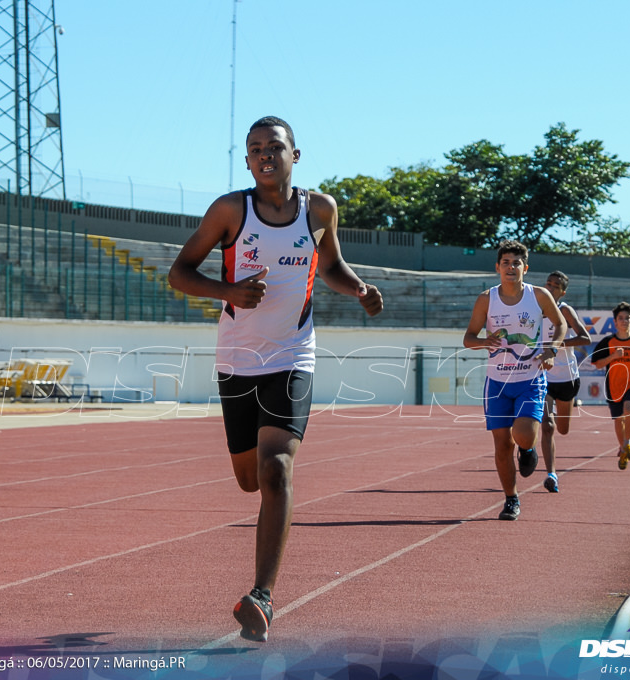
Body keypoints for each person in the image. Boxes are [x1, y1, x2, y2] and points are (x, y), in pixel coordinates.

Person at [168, 116, 383, 642]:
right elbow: (179, 273)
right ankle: (264, 537)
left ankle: (261, 596)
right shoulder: (229, 211)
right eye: (256, 149)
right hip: (237, 359)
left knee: (277, 468)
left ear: (296, 155)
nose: (266, 155)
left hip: (293, 354)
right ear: (246, 161)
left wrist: (357, 289)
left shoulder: (319, 209)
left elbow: (330, 266)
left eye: (275, 147)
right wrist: (230, 293)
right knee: (249, 479)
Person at [462, 240, 566, 521]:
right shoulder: (487, 299)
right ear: (497, 267)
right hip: (497, 381)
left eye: (516, 263)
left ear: (525, 268)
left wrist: (551, 348)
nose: (511, 267)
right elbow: (468, 338)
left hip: (530, 377)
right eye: (506, 262)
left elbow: (560, 324)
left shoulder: (539, 295)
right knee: (502, 445)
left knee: (522, 435)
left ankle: (529, 449)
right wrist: (484, 341)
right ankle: (511, 499)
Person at [539, 271, 592, 493]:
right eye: (548, 284)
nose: (550, 288)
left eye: (556, 286)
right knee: (547, 426)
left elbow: (585, 339)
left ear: (563, 291)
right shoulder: (534, 309)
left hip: (567, 377)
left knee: (563, 429)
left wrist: (558, 343)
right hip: (543, 376)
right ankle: (551, 474)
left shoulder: (564, 311)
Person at [590, 301, 630, 470]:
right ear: (615, 322)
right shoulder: (607, 342)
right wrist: (613, 356)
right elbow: (597, 364)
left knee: (629, 408)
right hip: (613, 386)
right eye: (621, 318)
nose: (624, 321)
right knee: (619, 420)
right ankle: (623, 449)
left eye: (627, 318)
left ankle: (627, 443)